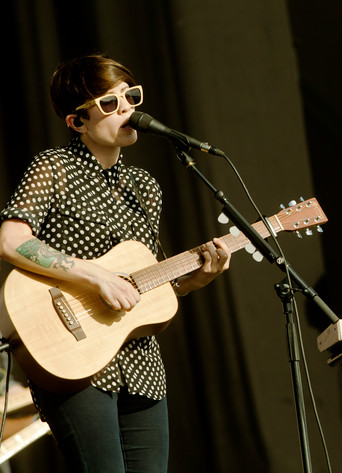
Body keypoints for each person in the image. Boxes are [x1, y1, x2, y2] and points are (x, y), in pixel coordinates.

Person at [0, 54, 231, 473]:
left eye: (131, 97)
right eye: (109, 103)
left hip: (141, 364)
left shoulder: (145, 187)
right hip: (72, 359)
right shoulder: (55, 167)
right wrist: (95, 274)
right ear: (78, 122)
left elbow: (144, 286)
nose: (127, 109)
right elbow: (11, 239)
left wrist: (196, 280)